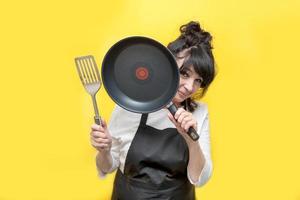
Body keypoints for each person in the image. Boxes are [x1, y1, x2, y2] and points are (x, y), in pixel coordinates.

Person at [90, 21, 216, 199]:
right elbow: (106, 167)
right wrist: (104, 150)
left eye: (198, 80)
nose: (190, 87)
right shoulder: (131, 105)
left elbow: (200, 179)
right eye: (185, 73)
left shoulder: (199, 113)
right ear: (167, 66)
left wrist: (191, 141)